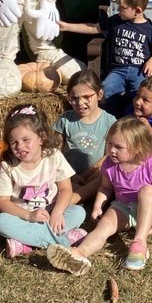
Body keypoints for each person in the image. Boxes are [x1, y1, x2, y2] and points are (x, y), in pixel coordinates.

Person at [47, 116, 152, 274]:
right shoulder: (109, 164)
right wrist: (97, 206)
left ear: (137, 147)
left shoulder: (150, 164)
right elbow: (105, 188)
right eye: (110, 144)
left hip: (149, 206)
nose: (111, 150)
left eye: (118, 147)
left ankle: (139, 243)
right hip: (124, 207)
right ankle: (79, 254)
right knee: (104, 226)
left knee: (147, 190)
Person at [0, 105, 88, 259]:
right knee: (0, 221)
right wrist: (29, 215)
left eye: (26, 140)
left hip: (51, 214)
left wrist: (57, 212)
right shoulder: (8, 165)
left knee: (79, 212)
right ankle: (65, 241)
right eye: (14, 142)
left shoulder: (54, 156)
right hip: (22, 217)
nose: (20, 146)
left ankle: (24, 243)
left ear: (41, 137)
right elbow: (2, 202)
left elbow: (65, 189)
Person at [57, 0, 152, 116]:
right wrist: (67, 26)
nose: (118, 10)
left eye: (122, 8)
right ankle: (108, 121)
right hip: (118, 70)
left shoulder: (151, 30)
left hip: (139, 71)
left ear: (137, 10)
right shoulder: (116, 21)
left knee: (140, 93)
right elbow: (94, 28)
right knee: (106, 89)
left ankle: (134, 124)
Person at [54, 70, 116, 206]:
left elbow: (108, 155)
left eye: (86, 97)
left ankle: (71, 199)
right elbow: (55, 151)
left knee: (105, 176)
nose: (80, 103)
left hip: (93, 174)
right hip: (68, 175)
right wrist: (70, 174)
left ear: (99, 94)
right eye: (74, 98)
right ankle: (81, 196)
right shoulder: (66, 119)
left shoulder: (109, 121)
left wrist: (87, 174)